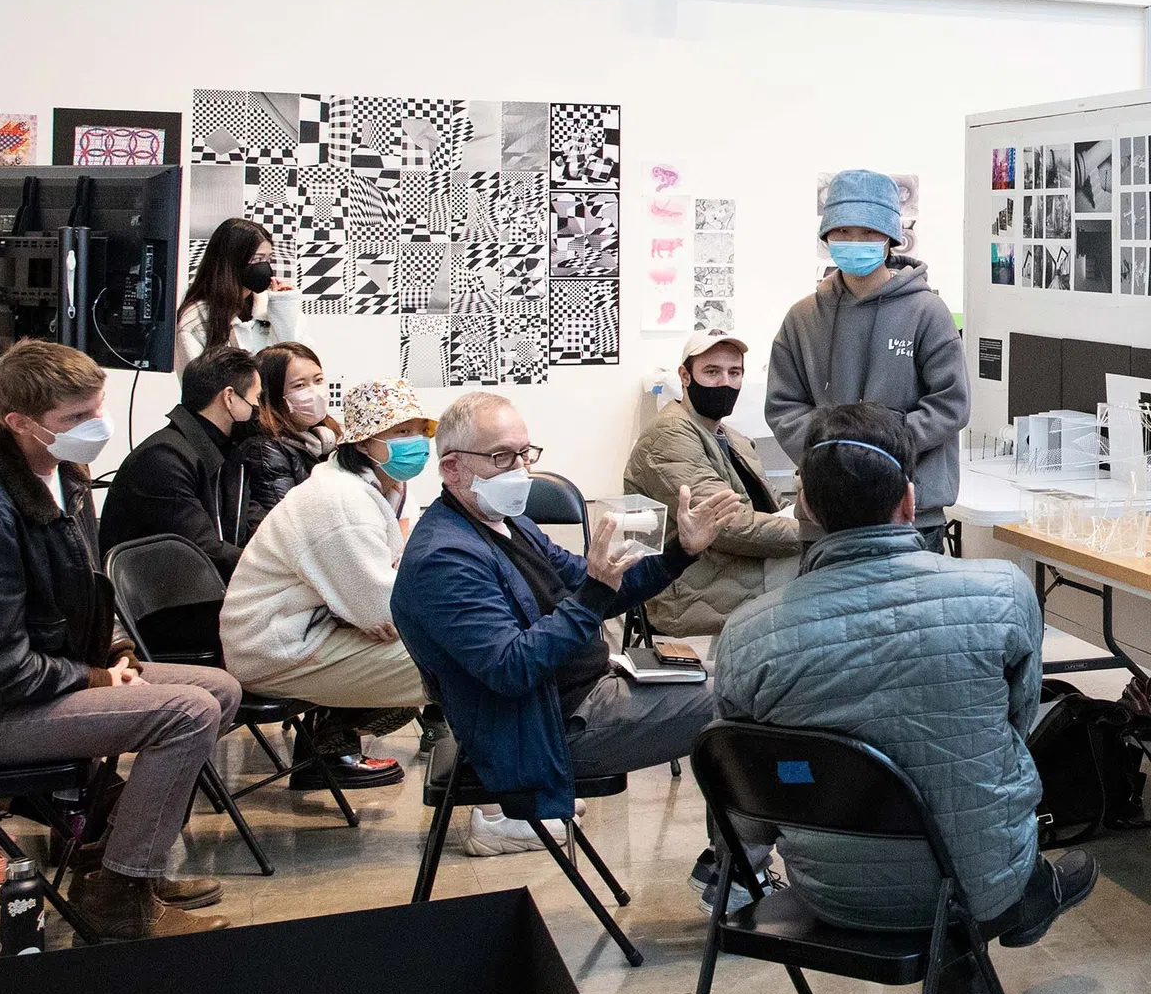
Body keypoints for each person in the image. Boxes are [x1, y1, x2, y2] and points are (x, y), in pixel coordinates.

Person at [714, 403, 1100, 994]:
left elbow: (746, 811)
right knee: (959, 800)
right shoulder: (1000, 592)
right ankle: (1017, 906)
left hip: (832, 892)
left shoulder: (746, 636)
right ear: (909, 500)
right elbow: (1015, 731)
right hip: (978, 878)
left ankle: (971, 952)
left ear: (805, 507)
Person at [0, 340, 237, 937]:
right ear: (19, 424)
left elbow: (83, 593)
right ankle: (121, 893)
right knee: (188, 711)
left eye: (97, 408)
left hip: (32, 683)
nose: (96, 427)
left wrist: (114, 652)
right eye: (75, 419)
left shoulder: (65, 474)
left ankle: (106, 856)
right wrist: (94, 677)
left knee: (219, 687)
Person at [393, 392, 748, 860]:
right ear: (452, 468)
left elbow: (603, 586)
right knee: (747, 700)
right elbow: (510, 667)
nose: (519, 469)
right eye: (501, 456)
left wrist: (681, 550)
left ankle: (737, 864)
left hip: (580, 693)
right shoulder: (445, 558)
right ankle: (735, 872)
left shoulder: (507, 522)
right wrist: (593, 595)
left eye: (525, 453)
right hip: (545, 727)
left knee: (745, 677)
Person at [218, 380, 438, 790]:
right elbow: (385, 606)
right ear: (365, 444)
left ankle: (330, 737)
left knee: (450, 649)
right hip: (276, 649)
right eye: (399, 432)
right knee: (459, 661)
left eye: (418, 431)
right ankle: (497, 802)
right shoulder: (343, 502)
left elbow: (379, 594)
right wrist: (368, 612)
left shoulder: (374, 486)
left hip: (304, 631)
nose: (416, 443)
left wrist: (365, 610)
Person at [767, 170, 971, 547]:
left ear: (890, 238)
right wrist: (833, 455)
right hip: (826, 513)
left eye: (868, 232)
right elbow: (783, 407)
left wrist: (879, 447)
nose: (854, 241)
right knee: (823, 607)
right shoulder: (802, 317)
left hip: (910, 514)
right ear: (826, 235)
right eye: (842, 231)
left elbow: (950, 405)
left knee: (908, 607)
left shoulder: (927, 312)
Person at [623, 333, 805, 636]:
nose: (725, 383)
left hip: (734, 567)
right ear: (684, 376)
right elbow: (726, 526)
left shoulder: (732, 438)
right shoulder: (667, 437)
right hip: (690, 586)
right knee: (832, 580)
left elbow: (772, 507)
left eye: (735, 373)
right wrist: (818, 531)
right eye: (712, 372)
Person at [100, 345, 261, 575]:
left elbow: (251, 521)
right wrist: (271, 567)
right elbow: (202, 550)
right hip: (171, 601)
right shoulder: (164, 459)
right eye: (256, 399)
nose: (259, 410)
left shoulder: (226, 453)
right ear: (229, 398)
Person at [239, 341, 335, 537]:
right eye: (300, 385)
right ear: (273, 395)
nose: (314, 391)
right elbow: (289, 525)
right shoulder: (264, 449)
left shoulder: (326, 438)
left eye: (318, 380)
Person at [175, 217, 299, 359]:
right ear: (232, 262)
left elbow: (298, 362)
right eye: (257, 259)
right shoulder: (196, 320)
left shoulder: (269, 305)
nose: (265, 267)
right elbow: (194, 377)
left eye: (268, 259)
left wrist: (284, 307)